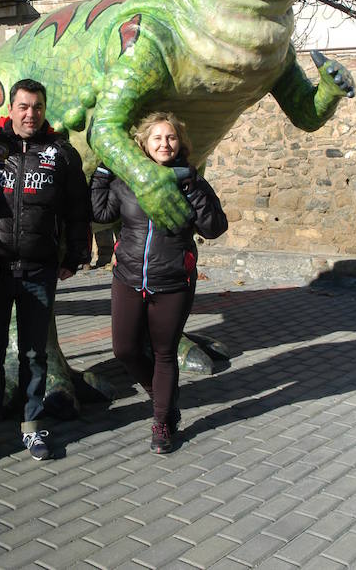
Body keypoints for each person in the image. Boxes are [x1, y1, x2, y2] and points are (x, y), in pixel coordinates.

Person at [0, 78, 91, 463]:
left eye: (37, 107)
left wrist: (75, 255)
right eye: (23, 106)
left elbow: (77, 210)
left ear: (43, 109)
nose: (30, 114)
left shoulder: (61, 153)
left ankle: (33, 428)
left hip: (39, 269)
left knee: (35, 355)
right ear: (11, 109)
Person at [90, 110, 227, 454]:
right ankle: (164, 396)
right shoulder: (128, 180)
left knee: (164, 353)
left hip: (173, 280)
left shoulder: (189, 180)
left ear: (179, 143)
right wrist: (104, 172)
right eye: (157, 138)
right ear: (144, 143)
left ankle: (163, 421)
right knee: (125, 349)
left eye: (171, 138)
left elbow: (214, 227)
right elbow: (101, 214)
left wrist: (192, 187)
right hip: (128, 277)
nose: (164, 144)